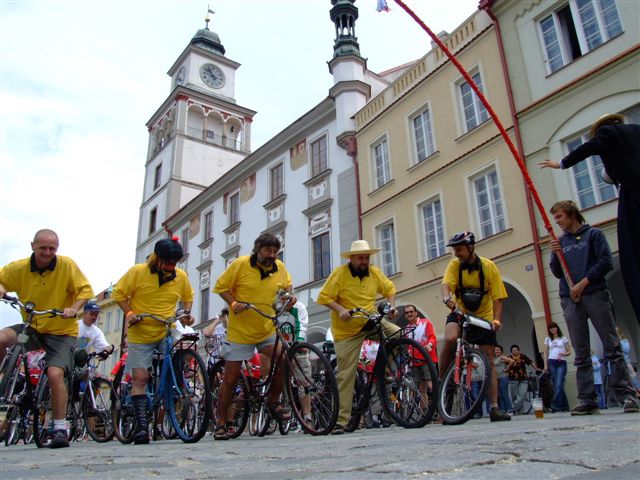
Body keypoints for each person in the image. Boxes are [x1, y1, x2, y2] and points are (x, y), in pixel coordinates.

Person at [539, 114, 640, 324]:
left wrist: (562, 163)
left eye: (559, 217)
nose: (557, 221)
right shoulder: (635, 131)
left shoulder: (608, 132)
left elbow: (590, 147)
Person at [0, 229, 94, 448]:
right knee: (2, 337)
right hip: (32, 325)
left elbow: (84, 291)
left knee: (55, 373)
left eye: (52, 248)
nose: (47, 252)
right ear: (32, 246)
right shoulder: (19, 268)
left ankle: (60, 428)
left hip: (61, 331)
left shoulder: (66, 265)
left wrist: (73, 308)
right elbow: (2, 280)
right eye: (43, 248)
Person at [548, 200, 639, 414]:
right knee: (580, 351)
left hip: (595, 294)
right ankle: (587, 399)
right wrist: (554, 253)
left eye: (560, 216)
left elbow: (605, 262)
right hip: (570, 297)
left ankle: (626, 395)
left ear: (571, 214)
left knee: (611, 346)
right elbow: (558, 272)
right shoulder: (561, 242)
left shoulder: (593, 236)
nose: (557, 221)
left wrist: (584, 282)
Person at [212, 233, 295, 440]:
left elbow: (287, 287)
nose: (272, 255)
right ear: (257, 250)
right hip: (240, 332)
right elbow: (221, 287)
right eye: (268, 250)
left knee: (284, 359)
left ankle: (273, 400)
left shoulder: (280, 268)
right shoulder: (240, 265)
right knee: (230, 378)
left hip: (266, 328)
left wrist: (289, 297)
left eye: (276, 251)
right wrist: (233, 303)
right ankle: (221, 423)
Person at [112, 236, 195, 444]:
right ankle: (141, 427)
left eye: (174, 263)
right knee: (140, 378)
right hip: (141, 331)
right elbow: (119, 294)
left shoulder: (180, 276)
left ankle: (176, 387)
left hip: (166, 328)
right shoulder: (138, 272)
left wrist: (186, 313)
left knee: (182, 352)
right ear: (157, 259)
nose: (170, 266)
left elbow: (188, 295)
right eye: (167, 261)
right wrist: (130, 313)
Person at [317, 239, 400, 434]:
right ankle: (341, 421)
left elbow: (390, 289)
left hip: (370, 321)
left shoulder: (374, 272)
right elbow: (324, 297)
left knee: (397, 333)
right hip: (347, 331)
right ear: (352, 258)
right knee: (345, 375)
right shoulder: (340, 274)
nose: (364, 261)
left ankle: (383, 368)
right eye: (361, 258)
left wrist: (392, 306)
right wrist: (340, 309)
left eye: (367, 257)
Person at [439, 231, 511, 422]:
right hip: (460, 312)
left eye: (459, 249)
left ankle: (494, 408)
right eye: (454, 249)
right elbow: (446, 285)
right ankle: (442, 380)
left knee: (489, 360)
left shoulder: (489, 267)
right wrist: (447, 298)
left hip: (483, 317)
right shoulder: (454, 265)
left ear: (471, 247)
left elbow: (498, 298)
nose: (456, 253)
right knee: (450, 338)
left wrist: (496, 321)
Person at [280, 300, 313, 428]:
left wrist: (299, 342)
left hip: (296, 347)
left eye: (286, 299)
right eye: (281, 299)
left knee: (303, 382)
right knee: (280, 377)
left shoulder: (298, 307)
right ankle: (285, 404)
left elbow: (302, 326)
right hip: (280, 348)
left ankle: (307, 417)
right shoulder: (274, 307)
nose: (284, 302)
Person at [404, 305, 437, 408]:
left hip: (427, 359)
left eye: (411, 311)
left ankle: (439, 408)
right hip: (415, 362)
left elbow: (432, 337)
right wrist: (409, 353)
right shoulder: (406, 329)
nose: (409, 314)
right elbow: (409, 346)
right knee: (421, 389)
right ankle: (425, 412)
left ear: (416, 312)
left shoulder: (425, 323)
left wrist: (430, 345)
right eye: (407, 313)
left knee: (431, 385)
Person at [543, 321, 571, 412]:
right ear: (549, 330)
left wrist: (563, 353)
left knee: (559, 384)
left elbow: (569, 351)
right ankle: (565, 406)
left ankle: (554, 405)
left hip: (561, 362)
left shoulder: (563, 338)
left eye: (554, 327)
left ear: (557, 328)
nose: (553, 329)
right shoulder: (548, 339)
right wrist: (545, 365)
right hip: (552, 362)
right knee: (557, 385)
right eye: (551, 328)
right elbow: (545, 353)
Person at [506, 344, 539, 414]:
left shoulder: (522, 356)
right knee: (514, 396)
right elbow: (504, 365)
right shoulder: (509, 358)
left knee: (523, 394)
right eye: (513, 350)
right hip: (512, 379)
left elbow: (530, 362)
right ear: (511, 352)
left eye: (516, 350)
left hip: (523, 378)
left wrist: (536, 368)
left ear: (518, 350)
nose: (515, 351)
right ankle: (520, 411)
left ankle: (513, 409)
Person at [493, 345, 514, 415]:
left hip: (503, 377)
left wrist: (507, 369)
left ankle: (510, 409)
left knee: (504, 393)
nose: (497, 351)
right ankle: (503, 410)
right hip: (496, 378)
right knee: (500, 395)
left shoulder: (502, 357)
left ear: (501, 351)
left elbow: (512, 361)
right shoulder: (494, 358)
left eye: (498, 350)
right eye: (496, 350)